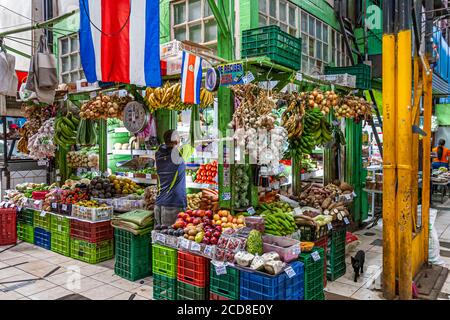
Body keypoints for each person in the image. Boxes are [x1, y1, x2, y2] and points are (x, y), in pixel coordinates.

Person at [154, 130, 187, 227]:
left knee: (159, 238)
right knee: (171, 238)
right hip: (173, 205)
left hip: (159, 204)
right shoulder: (179, 154)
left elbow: (165, 146)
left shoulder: (158, 153)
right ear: (177, 141)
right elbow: (195, 139)